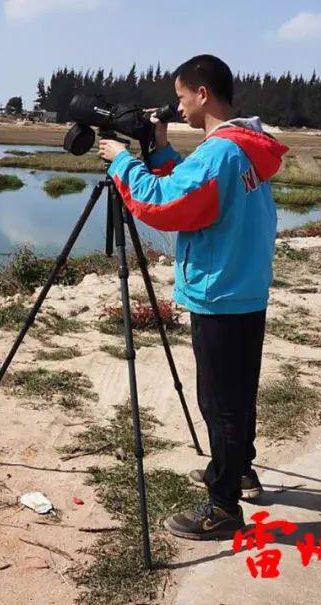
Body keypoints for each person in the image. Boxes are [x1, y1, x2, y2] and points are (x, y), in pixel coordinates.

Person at [97, 54, 288, 540]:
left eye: (181, 97)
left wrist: (121, 160)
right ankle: (239, 470)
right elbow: (198, 191)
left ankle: (223, 508)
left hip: (220, 292)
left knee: (220, 403)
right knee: (238, 396)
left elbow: (165, 204)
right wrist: (160, 154)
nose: (177, 108)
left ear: (202, 93)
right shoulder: (245, 147)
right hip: (244, 288)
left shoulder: (221, 152)